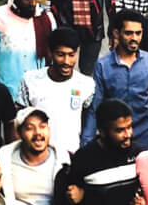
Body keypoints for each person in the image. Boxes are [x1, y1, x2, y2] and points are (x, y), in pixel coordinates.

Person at [84, 10, 148, 151]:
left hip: (145, 137)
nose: (134, 38)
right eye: (128, 33)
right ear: (116, 33)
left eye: (138, 33)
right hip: (114, 138)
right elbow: (95, 108)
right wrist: (86, 144)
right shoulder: (103, 65)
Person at [16, 29, 93, 160]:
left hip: (71, 157)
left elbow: (87, 122)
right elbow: (19, 120)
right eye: (60, 54)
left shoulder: (86, 85)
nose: (67, 61)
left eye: (71, 55)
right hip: (37, 157)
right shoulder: (30, 80)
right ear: (50, 53)